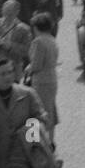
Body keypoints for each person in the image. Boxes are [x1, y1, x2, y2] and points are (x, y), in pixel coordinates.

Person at [26, 11, 60, 144]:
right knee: (50, 110)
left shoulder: (38, 41)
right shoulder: (52, 39)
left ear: (35, 27)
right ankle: (50, 140)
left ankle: (34, 141)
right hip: (51, 79)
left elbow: (36, 65)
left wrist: (28, 68)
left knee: (35, 111)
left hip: (40, 81)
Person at [0, 0, 33, 77]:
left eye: (10, 12)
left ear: (17, 12)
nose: (7, 14)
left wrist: (11, 46)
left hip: (15, 68)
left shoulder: (24, 29)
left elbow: (27, 50)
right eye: (5, 11)